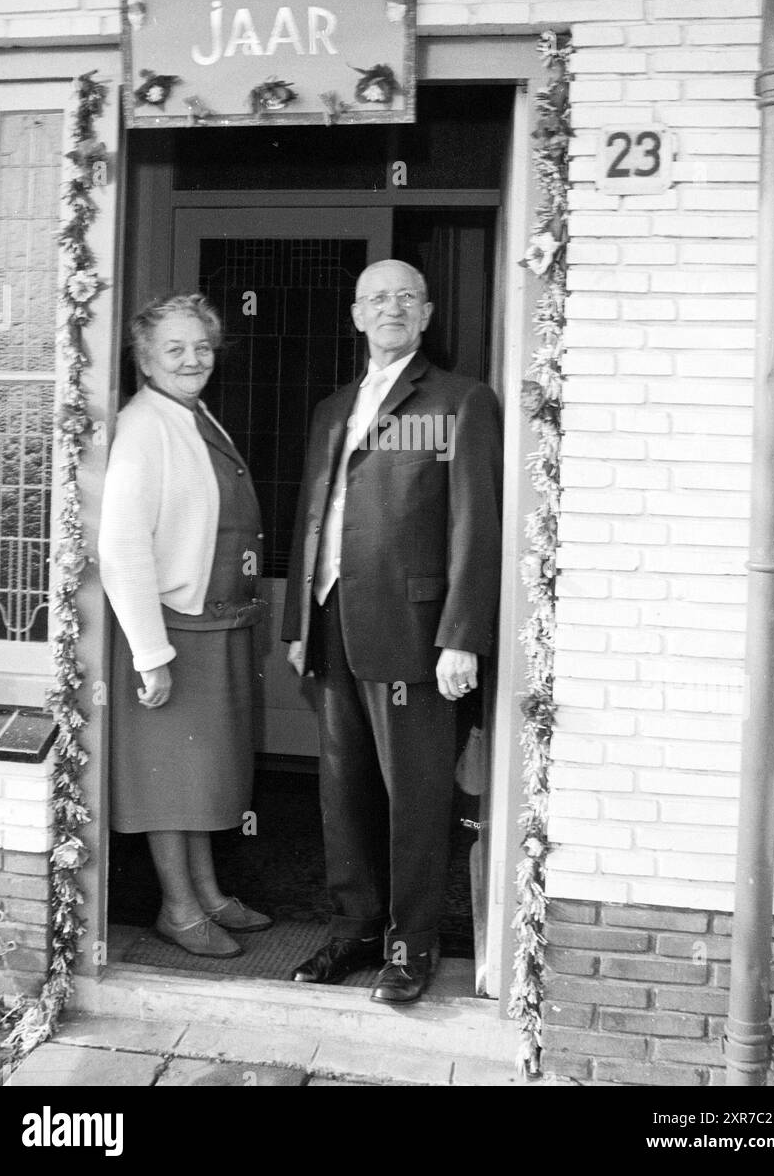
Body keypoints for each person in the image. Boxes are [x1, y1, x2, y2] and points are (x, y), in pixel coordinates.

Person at [282, 259, 502, 1004]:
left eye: (407, 297)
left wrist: (461, 636)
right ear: (355, 315)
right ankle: (353, 930)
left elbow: (477, 524)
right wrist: (296, 623)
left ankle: (411, 946)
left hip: (413, 633)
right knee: (341, 790)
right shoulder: (331, 408)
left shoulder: (461, 401)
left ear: (428, 312)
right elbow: (313, 519)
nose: (392, 308)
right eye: (378, 298)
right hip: (329, 621)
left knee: (413, 797)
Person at [99, 293, 271, 959]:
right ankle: (177, 907)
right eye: (174, 348)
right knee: (169, 780)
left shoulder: (193, 415)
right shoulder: (143, 425)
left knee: (199, 776)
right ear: (145, 359)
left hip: (209, 628)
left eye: (200, 346)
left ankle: (208, 892)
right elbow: (122, 546)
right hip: (168, 634)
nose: (192, 358)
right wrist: (149, 652)